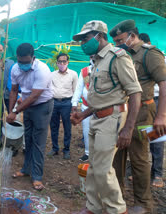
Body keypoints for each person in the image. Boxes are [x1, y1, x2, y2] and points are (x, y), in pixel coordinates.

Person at [71, 20, 142, 214]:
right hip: (96, 118)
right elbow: (99, 97)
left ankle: (117, 210)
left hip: (113, 119)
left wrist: (128, 128)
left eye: (85, 38)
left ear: (99, 36)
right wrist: (83, 114)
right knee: (93, 166)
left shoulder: (117, 58)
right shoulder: (97, 60)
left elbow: (135, 93)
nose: (82, 43)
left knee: (103, 169)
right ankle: (92, 207)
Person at [110, 20, 166, 212]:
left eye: (120, 40)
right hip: (122, 112)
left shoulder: (150, 54)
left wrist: (162, 116)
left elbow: (164, 84)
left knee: (140, 159)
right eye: (115, 41)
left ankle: (143, 205)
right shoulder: (120, 55)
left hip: (144, 113)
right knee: (116, 157)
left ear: (132, 36)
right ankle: (117, 202)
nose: (117, 44)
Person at [7, 43, 54, 191]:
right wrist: (10, 111)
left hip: (42, 105)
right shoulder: (15, 68)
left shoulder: (42, 70)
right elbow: (14, 90)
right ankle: (26, 169)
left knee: (38, 141)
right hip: (27, 106)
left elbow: (34, 96)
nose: (23, 65)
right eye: (20, 61)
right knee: (28, 139)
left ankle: (37, 176)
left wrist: (16, 112)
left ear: (33, 58)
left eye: (26, 62)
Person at [139, 33, 165, 188]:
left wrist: (162, 113)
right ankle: (144, 171)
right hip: (141, 102)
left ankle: (157, 173)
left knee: (156, 138)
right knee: (142, 137)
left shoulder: (157, 57)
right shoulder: (139, 57)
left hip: (156, 100)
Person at [48, 53, 78, 159]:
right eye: (59, 62)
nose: (62, 64)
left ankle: (66, 150)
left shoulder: (73, 74)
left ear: (67, 62)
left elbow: (75, 90)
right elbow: (49, 90)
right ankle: (55, 148)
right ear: (56, 63)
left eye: (64, 61)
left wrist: (75, 105)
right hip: (54, 102)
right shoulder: (52, 75)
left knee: (67, 126)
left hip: (67, 103)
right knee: (54, 126)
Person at [71, 56, 95, 162]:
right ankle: (88, 153)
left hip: (102, 108)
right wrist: (74, 103)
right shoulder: (85, 71)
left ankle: (98, 155)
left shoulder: (106, 69)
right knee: (86, 131)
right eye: (92, 56)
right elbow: (79, 88)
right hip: (86, 106)